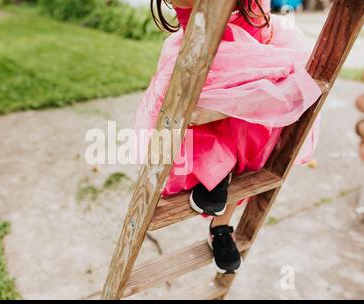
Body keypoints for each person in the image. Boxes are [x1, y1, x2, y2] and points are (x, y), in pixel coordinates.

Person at [134, 0, 322, 273]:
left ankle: (221, 223)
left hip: (261, 57)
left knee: (261, 126)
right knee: (217, 107)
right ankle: (214, 167)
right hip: (209, 65)